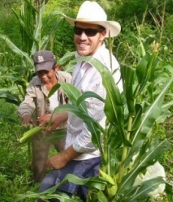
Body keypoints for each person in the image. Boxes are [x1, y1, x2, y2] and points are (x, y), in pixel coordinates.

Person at [38, 1, 122, 201]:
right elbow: (82, 105)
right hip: (77, 147)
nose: (82, 37)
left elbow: (95, 130)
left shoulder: (103, 72)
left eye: (91, 32)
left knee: (48, 193)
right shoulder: (82, 60)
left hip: (88, 156)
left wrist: (63, 157)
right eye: (79, 30)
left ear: (103, 34)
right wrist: (61, 116)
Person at [17, 50, 72, 183]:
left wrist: (61, 116)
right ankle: (37, 186)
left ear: (56, 68)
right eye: (39, 72)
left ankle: (70, 184)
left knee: (68, 157)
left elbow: (74, 104)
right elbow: (27, 101)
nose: (43, 76)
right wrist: (25, 113)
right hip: (42, 128)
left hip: (64, 127)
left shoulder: (68, 79)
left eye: (46, 72)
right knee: (39, 161)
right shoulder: (34, 83)